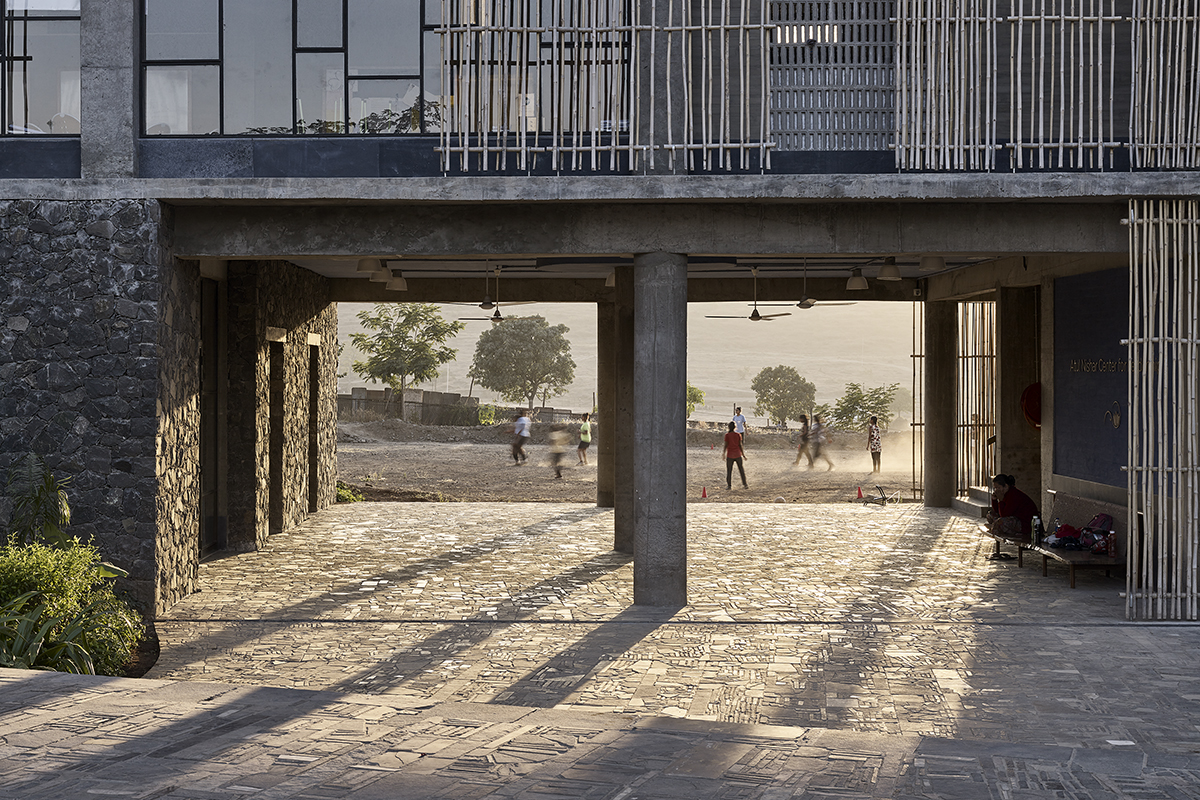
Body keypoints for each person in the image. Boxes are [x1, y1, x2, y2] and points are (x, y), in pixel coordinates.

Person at [987, 474, 1039, 538]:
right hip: (1013, 519)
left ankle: (1013, 533)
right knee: (990, 515)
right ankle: (998, 528)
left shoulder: (1014, 495)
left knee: (1001, 522)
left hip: (1025, 524)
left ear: (1006, 486)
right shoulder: (1005, 494)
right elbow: (998, 511)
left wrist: (1000, 500)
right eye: (995, 488)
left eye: (998, 488)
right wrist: (994, 500)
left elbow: (1004, 515)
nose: (996, 490)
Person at [722, 421, 748, 489]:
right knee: (741, 470)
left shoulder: (727, 435)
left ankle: (729, 486)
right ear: (735, 427)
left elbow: (725, 445)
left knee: (729, 471)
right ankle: (745, 484)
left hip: (730, 455)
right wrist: (743, 454)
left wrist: (723, 453)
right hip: (737, 454)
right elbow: (740, 445)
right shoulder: (738, 435)